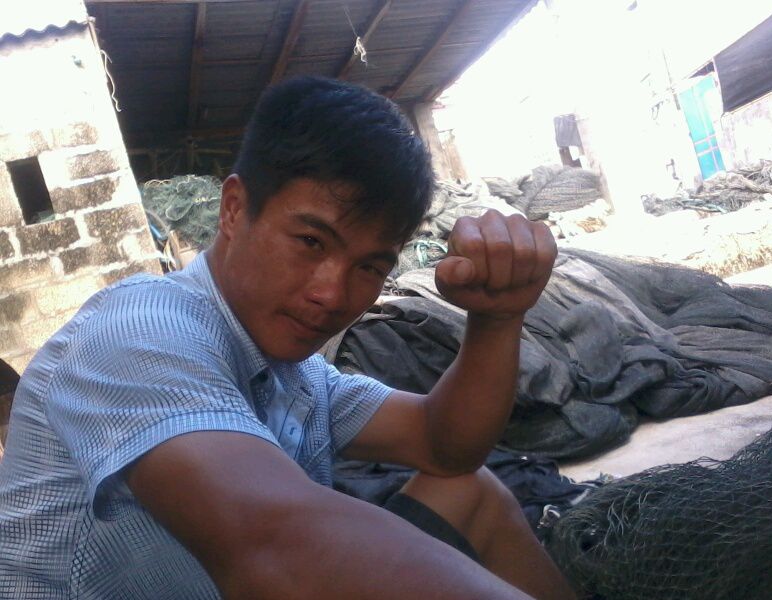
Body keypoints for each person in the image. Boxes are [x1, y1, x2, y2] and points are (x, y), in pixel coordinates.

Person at [0, 76, 575, 600]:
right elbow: (280, 550)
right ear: (233, 209)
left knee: (469, 491)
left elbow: (443, 444)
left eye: (370, 266)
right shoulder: (139, 335)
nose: (332, 294)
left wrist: (498, 318)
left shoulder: (291, 374)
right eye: (311, 242)